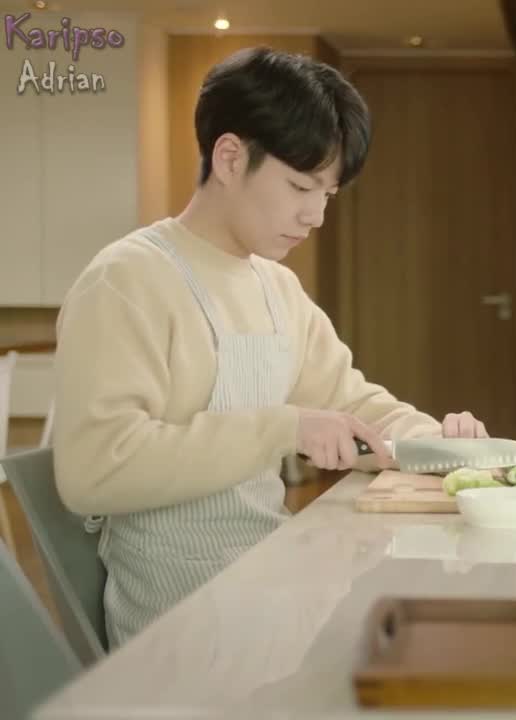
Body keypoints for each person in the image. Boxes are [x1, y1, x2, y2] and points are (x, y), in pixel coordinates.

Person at [52, 46, 488, 648]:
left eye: (328, 195)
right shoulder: (127, 280)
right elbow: (94, 471)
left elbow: (352, 404)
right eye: (300, 186)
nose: (315, 216)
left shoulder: (276, 288)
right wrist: (284, 428)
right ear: (230, 157)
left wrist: (440, 443)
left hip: (267, 583)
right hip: (179, 625)